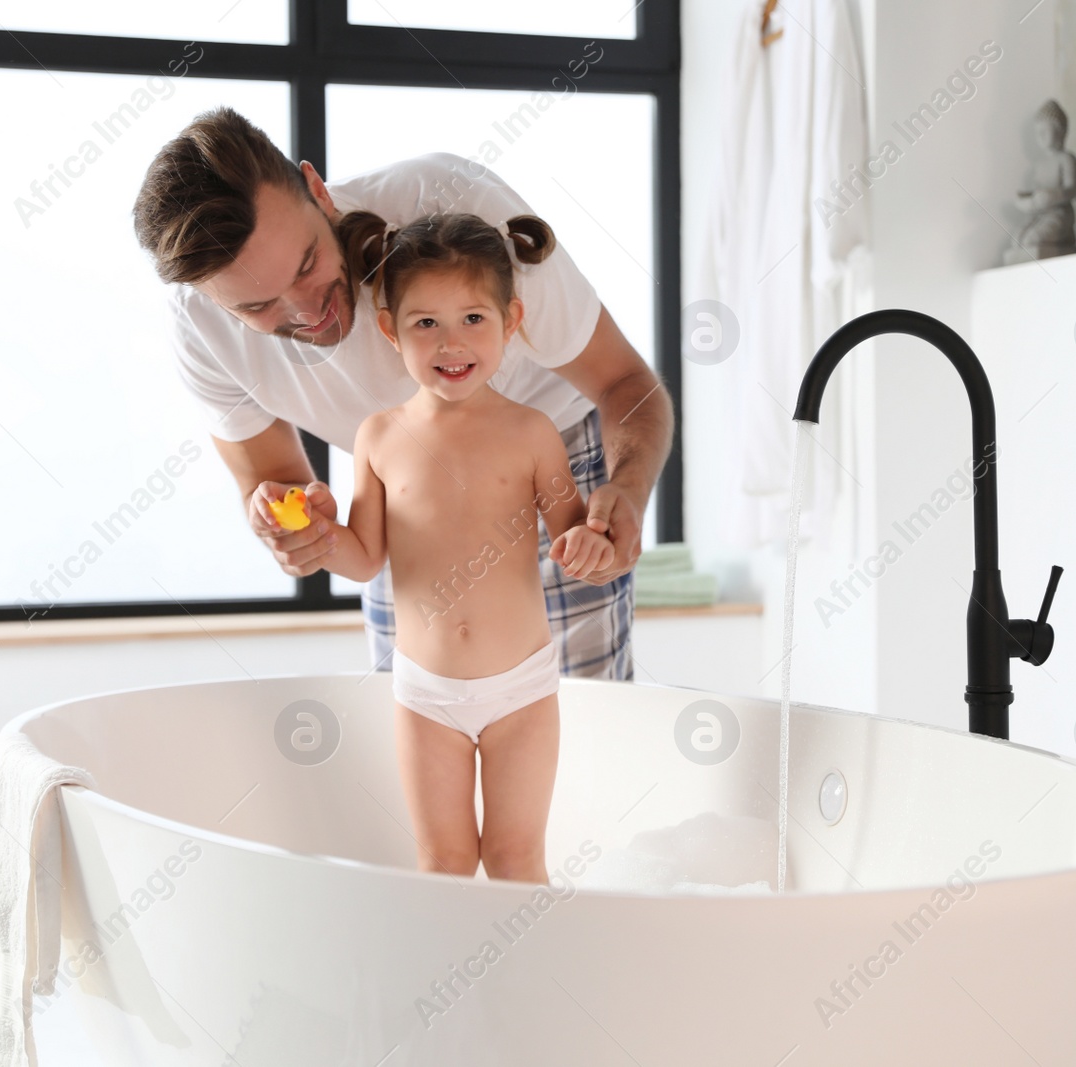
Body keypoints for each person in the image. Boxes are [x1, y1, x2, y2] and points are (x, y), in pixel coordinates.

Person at [131, 106, 675, 681]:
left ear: (317, 191)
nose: (307, 312)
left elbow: (628, 386)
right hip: (406, 500)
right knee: (414, 728)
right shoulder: (200, 330)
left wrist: (628, 493)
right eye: (257, 307)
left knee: (582, 729)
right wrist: (295, 531)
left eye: (307, 266)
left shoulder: (453, 204)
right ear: (209, 299)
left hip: (558, 464)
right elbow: (276, 489)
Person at [315, 210, 612, 882]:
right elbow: (364, 557)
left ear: (511, 320)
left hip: (522, 687)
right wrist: (318, 536)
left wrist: (588, 544)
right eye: (427, 323)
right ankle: (447, 989)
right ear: (391, 329)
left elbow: (571, 534)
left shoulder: (533, 433)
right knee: (443, 861)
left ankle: (529, 989)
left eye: (473, 319)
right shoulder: (380, 437)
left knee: (515, 857)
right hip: (426, 693)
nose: (453, 342)